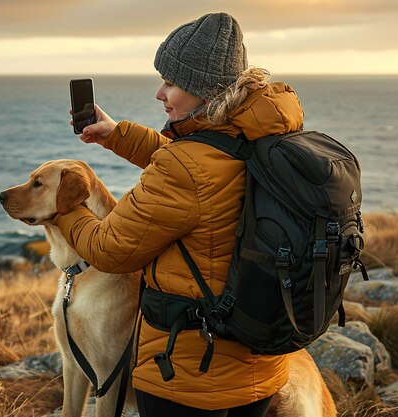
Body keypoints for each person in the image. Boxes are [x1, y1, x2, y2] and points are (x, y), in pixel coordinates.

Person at [57, 12, 304, 417]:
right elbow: (207, 172)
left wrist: (63, 210)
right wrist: (116, 133)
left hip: (190, 371)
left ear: (204, 91)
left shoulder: (188, 167)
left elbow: (108, 249)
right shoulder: (263, 134)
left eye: (171, 82)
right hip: (260, 362)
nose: (159, 92)